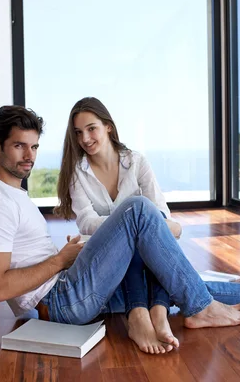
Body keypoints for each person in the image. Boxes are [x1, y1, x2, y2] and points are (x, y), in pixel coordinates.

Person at [0, 105, 240, 355]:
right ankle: (198, 308)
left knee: (171, 283)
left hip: (66, 289)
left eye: (33, 146)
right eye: (19, 146)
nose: (29, 156)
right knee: (139, 210)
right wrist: (61, 260)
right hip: (60, 301)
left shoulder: (13, 194)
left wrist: (68, 260)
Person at [55, 97, 183, 354]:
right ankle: (145, 312)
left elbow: (164, 216)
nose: (85, 139)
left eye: (92, 129)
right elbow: (87, 222)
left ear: (108, 127)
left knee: (151, 215)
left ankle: (156, 312)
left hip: (147, 250)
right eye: (78, 133)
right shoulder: (77, 173)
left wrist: (139, 227)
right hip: (105, 253)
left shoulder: (136, 162)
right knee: (140, 225)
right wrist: (128, 226)